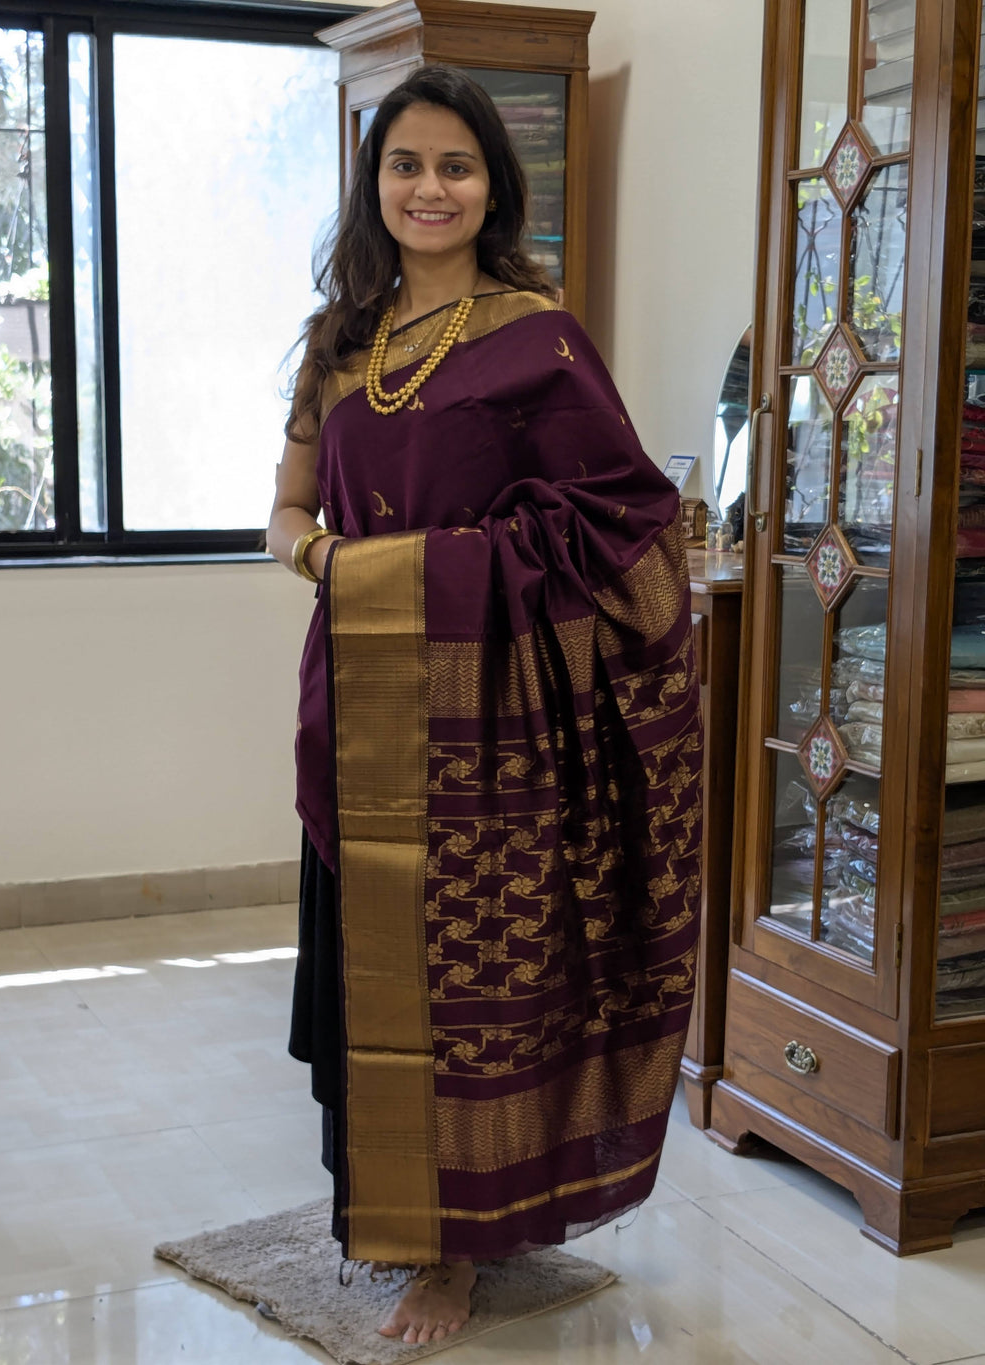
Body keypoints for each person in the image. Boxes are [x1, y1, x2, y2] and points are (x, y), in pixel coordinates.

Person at [266, 64, 702, 1349]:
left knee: (473, 990)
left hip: (492, 720)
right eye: (406, 164)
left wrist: (425, 567)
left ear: (493, 190)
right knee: (371, 984)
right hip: (359, 698)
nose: (430, 188)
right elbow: (286, 512)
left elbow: (626, 524)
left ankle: (458, 1256)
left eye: (457, 166)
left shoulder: (538, 341)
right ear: (375, 184)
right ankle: (390, 1218)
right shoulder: (337, 346)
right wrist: (326, 562)